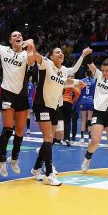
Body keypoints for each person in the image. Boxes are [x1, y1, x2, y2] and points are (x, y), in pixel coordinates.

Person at [0, 23, 37, 177]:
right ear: (10, 40)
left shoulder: (26, 54)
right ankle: (1, 159)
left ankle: (14, 159)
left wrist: (31, 46)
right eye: (14, 35)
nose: (18, 36)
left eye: (20, 35)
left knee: (20, 131)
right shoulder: (4, 50)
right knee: (8, 129)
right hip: (7, 93)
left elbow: (32, 62)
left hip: (22, 95)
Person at [29, 46, 86, 185]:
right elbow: (36, 56)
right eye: (57, 52)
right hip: (42, 104)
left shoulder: (64, 70)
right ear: (51, 56)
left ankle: (36, 168)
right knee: (48, 138)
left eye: (61, 52)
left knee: (52, 139)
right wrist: (31, 47)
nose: (61, 53)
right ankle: (49, 174)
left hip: (54, 106)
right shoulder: (46, 64)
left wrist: (76, 82)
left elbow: (65, 80)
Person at [78, 68, 95, 143]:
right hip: (91, 101)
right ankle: (90, 138)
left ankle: (82, 137)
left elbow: (78, 91)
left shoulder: (82, 81)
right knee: (89, 120)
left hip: (83, 101)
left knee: (83, 119)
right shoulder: (94, 81)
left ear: (85, 73)